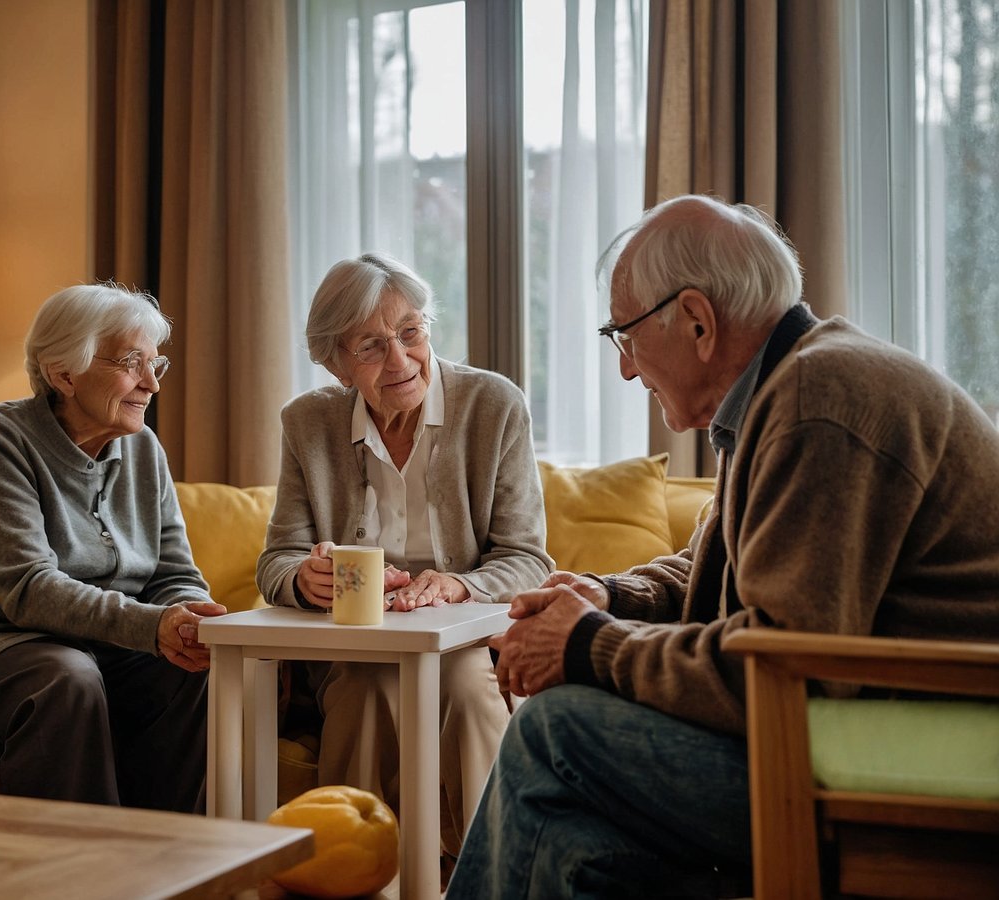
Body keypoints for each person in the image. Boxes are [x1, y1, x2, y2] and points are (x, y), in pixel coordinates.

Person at [447, 194, 999, 898]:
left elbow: (783, 657)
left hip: (923, 750)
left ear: (698, 322)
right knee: (572, 847)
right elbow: (726, 567)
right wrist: (611, 598)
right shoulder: (784, 388)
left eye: (624, 335)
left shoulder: (820, 399)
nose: (625, 369)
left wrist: (588, 645)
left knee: (554, 731)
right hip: (871, 721)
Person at [0, 283, 225, 813]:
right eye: (132, 363)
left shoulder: (143, 449)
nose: (152, 384)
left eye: (156, 364)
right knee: (66, 677)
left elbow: (173, 572)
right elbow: (28, 588)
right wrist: (150, 625)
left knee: (193, 671)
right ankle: (80, 861)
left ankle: (170, 852)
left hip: (92, 648)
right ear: (64, 374)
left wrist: (189, 621)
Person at [256, 251, 553, 856]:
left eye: (410, 332)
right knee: (364, 687)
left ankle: (492, 871)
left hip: (464, 640)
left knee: (467, 686)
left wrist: (457, 584)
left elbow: (527, 557)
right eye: (370, 346)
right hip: (358, 647)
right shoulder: (307, 423)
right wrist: (306, 578)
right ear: (337, 364)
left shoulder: (493, 405)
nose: (400, 360)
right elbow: (278, 560)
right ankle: (358, 873)